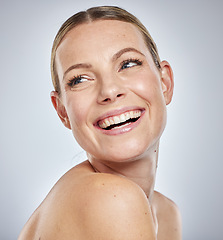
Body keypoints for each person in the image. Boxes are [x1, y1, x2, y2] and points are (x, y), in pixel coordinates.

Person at [18, 6, 182, 240]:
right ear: (62, 111)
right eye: (80, 79)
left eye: (127, 64)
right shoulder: (111, 200)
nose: (109, 90)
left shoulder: (167, 213)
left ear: (165, 82)